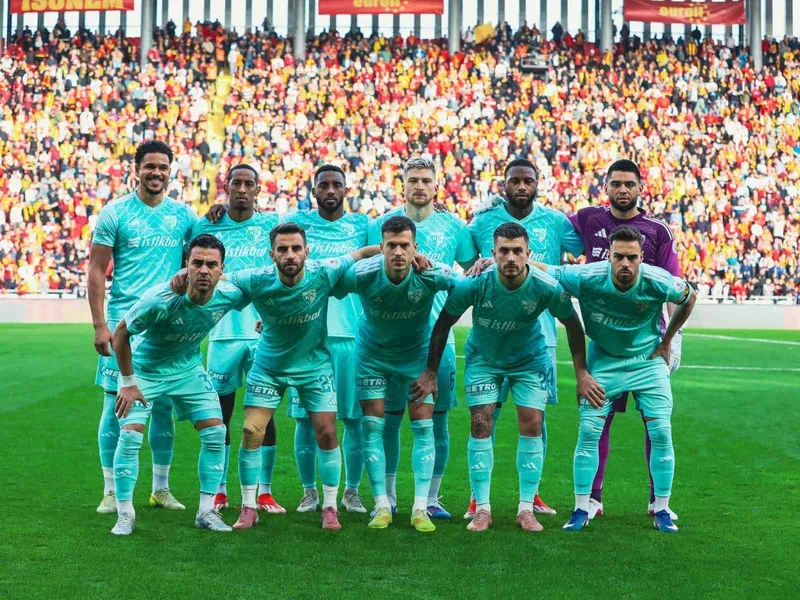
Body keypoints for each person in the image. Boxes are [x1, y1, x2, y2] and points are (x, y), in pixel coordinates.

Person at [411, 223, 597, 532]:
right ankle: (482, 509)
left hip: (530, 361)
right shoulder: (475, 283)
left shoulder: (546, 286)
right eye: (504, 251)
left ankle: (526, 509)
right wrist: (430, 373)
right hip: (484, 361)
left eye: (517, 251)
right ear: (493, 253)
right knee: (480, 424)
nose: (511, 258)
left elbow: (573, 325)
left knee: (532, 424)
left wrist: (582, 374)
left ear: (528, 253)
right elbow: (443, 323)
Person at [536, 225, 695, 533]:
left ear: (641, 258)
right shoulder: (587, 276)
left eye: (632, 258)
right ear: (608, 256)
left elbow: (689, 297)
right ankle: (581, 507)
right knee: (589, 430)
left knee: (661, 431)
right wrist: (507, 261)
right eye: (618, 256)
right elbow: (547, 270)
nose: (625, 264)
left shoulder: (658, 279)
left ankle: (661, 508)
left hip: (647, 361)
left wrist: (668, 341)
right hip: (604, 359)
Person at [225, 223, 379, 531]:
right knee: (251, 432)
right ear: (272, 254)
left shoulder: (324, 271)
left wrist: (407, 254)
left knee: (327, 433)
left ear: (307, 251)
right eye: (282, 249)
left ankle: (330, 507)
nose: (290, 255)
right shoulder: (256, 278)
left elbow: (363, 253)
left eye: (296, 248)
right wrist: (184, 275)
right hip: (269, 368)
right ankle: (248, 507)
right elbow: (221, 278)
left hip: (314, 367)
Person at [465, 157, 584, 518]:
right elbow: (470, 265)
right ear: (503, 184)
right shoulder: (483, 221)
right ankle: (477, 496)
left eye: (527, 180)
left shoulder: (556, 221)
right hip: (493, 337)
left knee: (535, 419)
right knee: (485, 416)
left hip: (540, 338)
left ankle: (532, 495)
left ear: (537, 184)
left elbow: (586, 246)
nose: (521, 186)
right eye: (514, 180)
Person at [110, 234, 248, 535]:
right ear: (186, 265)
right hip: (145, 371)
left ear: (221, 269)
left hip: (188, 370)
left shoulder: (229, 294)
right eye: (197, 263)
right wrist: (129, 383)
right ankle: (124, 514)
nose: (204, 270)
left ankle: (206, 511)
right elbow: (119, 334)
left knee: (216, 432)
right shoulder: (160, 299)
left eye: (211, 264)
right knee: (130, 436)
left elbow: (262, 287)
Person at [569, 159, 683, 521]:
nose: (622, 189)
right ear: (605, 187)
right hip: (605, 344)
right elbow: (549, 230)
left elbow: (675, 284)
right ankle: (593, 499)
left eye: (629, 184)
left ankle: (657, 500)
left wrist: (672, 338)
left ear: (640, 188)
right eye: (615, 183)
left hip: (647, 342)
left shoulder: (657, 231)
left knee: (656, 422)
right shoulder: (588, 219)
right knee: (597, 421)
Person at [88, 141, 197, 514]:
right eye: (149, 166)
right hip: (123, 325)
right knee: (114, 404)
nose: (156, 172)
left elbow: (208, 246)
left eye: (163, 167)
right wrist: (99, 325)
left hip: (166, 326)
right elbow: (96, 271)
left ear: (170, 171)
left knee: (163, 405)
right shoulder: (115, 213)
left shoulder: (183, 216)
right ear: (136, 169)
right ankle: (109, 490)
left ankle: (160, 488)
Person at [333, 215, 459, 532]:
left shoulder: (432, 273)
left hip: (416, 357)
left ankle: (420, 508)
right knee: (372, 427)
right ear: (382, 247)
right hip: (372, 356)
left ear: (416, 247)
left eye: (405, 245)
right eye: (391, 245)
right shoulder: (362, 274)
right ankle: (381, 505)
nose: (398, 252)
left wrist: (432, 367)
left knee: (424, 427)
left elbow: (468, 287)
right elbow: (324, 286)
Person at [369, 157, 478, 519]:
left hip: (437, 342)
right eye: (412, 179)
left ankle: (430, 498)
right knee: (388, 421)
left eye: (425, 180)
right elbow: (366, 265)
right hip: (389, 341)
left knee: (437, 421)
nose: (419, 186)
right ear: (402, 185)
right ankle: (387, 498)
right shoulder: (381, 225)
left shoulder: (454, 226)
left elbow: (472, 271)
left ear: (436, 186)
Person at [190, 164, 283, 514]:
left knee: (264, 415)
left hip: (262, 334)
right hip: (223, 334)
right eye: (236, 183)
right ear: (226, 186)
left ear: (258, 189)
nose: (242, 189)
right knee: (220, 415)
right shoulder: (206, 226)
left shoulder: (272, 225)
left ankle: (264, 491)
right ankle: (220, 490)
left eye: (249, 184)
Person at [284, 165, 371, 515]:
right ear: (314, 191)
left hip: (352, 335)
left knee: (354, 419)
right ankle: (309, 492)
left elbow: (399, 229)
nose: (330, 190)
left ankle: (351, 491)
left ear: (346, 190)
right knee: (305, 419)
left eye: (337, 185)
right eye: (324, 185)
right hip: (306, 337)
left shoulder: (363, 225)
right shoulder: (297, 222)